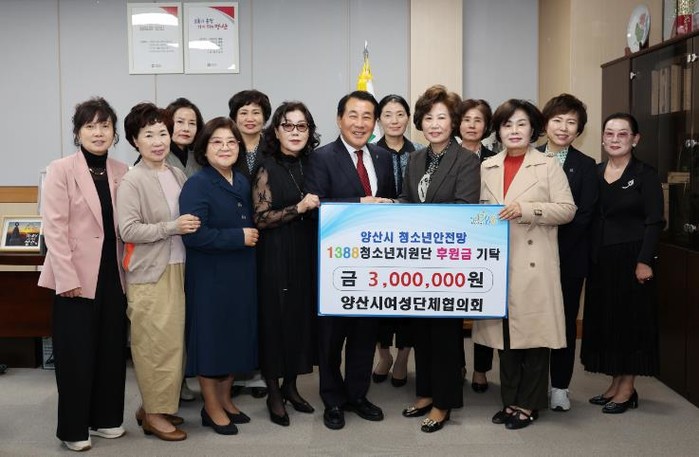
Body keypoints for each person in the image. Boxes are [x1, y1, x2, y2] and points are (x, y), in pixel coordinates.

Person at [473, 99, 576, 430]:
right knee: (505, 338)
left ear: (533, 130)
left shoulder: (548, 165)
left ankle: (528, 404)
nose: (514, 131)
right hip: (496, 262)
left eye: (521, 124)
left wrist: (527, 209)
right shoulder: (487, 166)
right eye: (507, 125)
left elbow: (567, 209)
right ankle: (510, 400)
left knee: (534, 338)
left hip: (534, 263)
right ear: (498, 131)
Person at [38, 97, 129, 452]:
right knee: (75, 354)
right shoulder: (60, 169)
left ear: (114, 132)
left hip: (114, 273)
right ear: (77, 133)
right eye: (90, 126)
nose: (98, 132)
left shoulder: (122, 170)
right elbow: (54, 228)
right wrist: (66, 278)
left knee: (111, 348)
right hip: (74, 274)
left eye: (105, 125)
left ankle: (106, 418)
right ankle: (73, 428)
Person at [305, 90, 396, 430]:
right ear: (339, 119)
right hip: (336, 264)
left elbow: (388, 202)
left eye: (367, 116)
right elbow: (316, 207)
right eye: (353, 115)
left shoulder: (383, 157)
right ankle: (332, 399)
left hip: (371, 265)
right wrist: (360, 203)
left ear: (375, 122)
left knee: (364, 335)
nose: (360, 123)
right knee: (331, 338)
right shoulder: (320, 157)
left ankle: (358, 394)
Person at [398, 85, 480, 433]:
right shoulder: (415, 159)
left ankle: (444, 402)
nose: (434, 124)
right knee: (421, 331)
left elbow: (464, 209)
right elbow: (407, 199)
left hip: (448, 260)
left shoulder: (467, 160)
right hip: (418, 260)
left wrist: (421, 219)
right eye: (428, 117)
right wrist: (391, 207)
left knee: (445, 334)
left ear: (454, 122)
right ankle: (425, 392)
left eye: (441, 117)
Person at [117, 103, 200, 442]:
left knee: (173, 344)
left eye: (162, 133)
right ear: (134, 141)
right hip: (150, 273)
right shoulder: (132, 180)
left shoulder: (176, 174)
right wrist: (171, 227)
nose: (157, 141)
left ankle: (155, 407)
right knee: (153, 345)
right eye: (148, 135)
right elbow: (128, 229)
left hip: (180, 267)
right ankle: (153, 415)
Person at [179, 117, 260, 436]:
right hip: (210, 277)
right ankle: (210, 406)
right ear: (204, 148)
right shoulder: (197, 184)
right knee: (212, 340)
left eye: (231, 142)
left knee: (234, 337)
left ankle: (225, 400)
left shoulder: (240, 180)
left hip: (240, 274)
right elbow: (194, 235)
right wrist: (237, 237)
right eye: (217, 142)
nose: (225, 148)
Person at [581, 112, 664, 414]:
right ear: (603, 138)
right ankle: (616, 382)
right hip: (601, 259)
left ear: (635, 139)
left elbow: (655, 221)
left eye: (622, 134)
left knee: (630, 323)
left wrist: (645, 260)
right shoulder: (595, 172)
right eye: (610, 133)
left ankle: (627, 388)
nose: (615, 139)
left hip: (632, 258)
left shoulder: (645, 174)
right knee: (608, 321)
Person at [252, 101, 321, 426]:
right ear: (276, 131)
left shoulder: (313, 164)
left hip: (307, 251)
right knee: (275, 321)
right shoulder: (266, 167)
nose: (295, 132)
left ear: (309, 131)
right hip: (275, 254)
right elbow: (261, 217)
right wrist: (299, 208)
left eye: (301, 126)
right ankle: (273, 392)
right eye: (288, 126)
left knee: (299, 319)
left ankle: (291, 386)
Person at [537, 94, 598, 411]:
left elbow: (584, 215)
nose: (563, 128)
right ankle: (532, 386)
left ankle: (560, 386)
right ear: (545, 124)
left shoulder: (586, 166)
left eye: (571, 122)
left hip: (568, 259)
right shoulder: (528, 157)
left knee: (563, 323)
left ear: (579, 129)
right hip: (528, 258)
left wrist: (554, 250)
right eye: (557, 120)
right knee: (532, 322)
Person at [372, 94, 419, 388]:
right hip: (379, 239)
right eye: (387, 115)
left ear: (408, 118)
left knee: (409, 301)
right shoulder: (370, 153)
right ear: (379, 120)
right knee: (380, 301)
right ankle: (384, 355)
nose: (394, 120)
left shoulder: (420, 153)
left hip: (414, 239)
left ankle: (402, 357)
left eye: (400, 114)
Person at [228, 89, 272, 398]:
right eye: (243, 112)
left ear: (265, 117)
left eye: (256, 112)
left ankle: (260, 371)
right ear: (234, 117)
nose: (250, 118)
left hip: (270, 234)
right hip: (235, 234)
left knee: (264, 305)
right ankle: (237, 372)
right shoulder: (225, 145)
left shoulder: (274, 146)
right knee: (238, 305)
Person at [165, 96, 205, 402]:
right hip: (167, 245)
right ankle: (171, 384)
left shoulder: (199, 157)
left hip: (197, 246)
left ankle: (185, 377)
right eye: (180, 121)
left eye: (192, 123)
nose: (186, 128)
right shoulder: (156, 155)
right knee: (171, 320)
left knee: (191, 316)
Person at [459, 98, 497, 393]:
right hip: (454, 242)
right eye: (466, 119)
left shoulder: (495, 159)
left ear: (487, 126)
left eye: (478, 120)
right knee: (453, 309)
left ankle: (481, 369)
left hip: (485, 240)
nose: (472, 125)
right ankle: (456, 364)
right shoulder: (447, 156)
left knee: (485, 306)